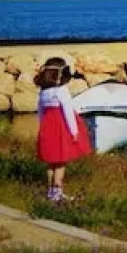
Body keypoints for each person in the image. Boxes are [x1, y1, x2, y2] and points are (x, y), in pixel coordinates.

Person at [34, 57, 91, 202]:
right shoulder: (61, 91)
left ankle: (50, 192)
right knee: (60, 162)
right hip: (61, 128)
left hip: (47, 127)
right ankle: (58, 192)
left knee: (50, 162)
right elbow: (68, 112)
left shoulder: (43, 92)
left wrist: (42, 128)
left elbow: (40, 112)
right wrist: (74, 132)